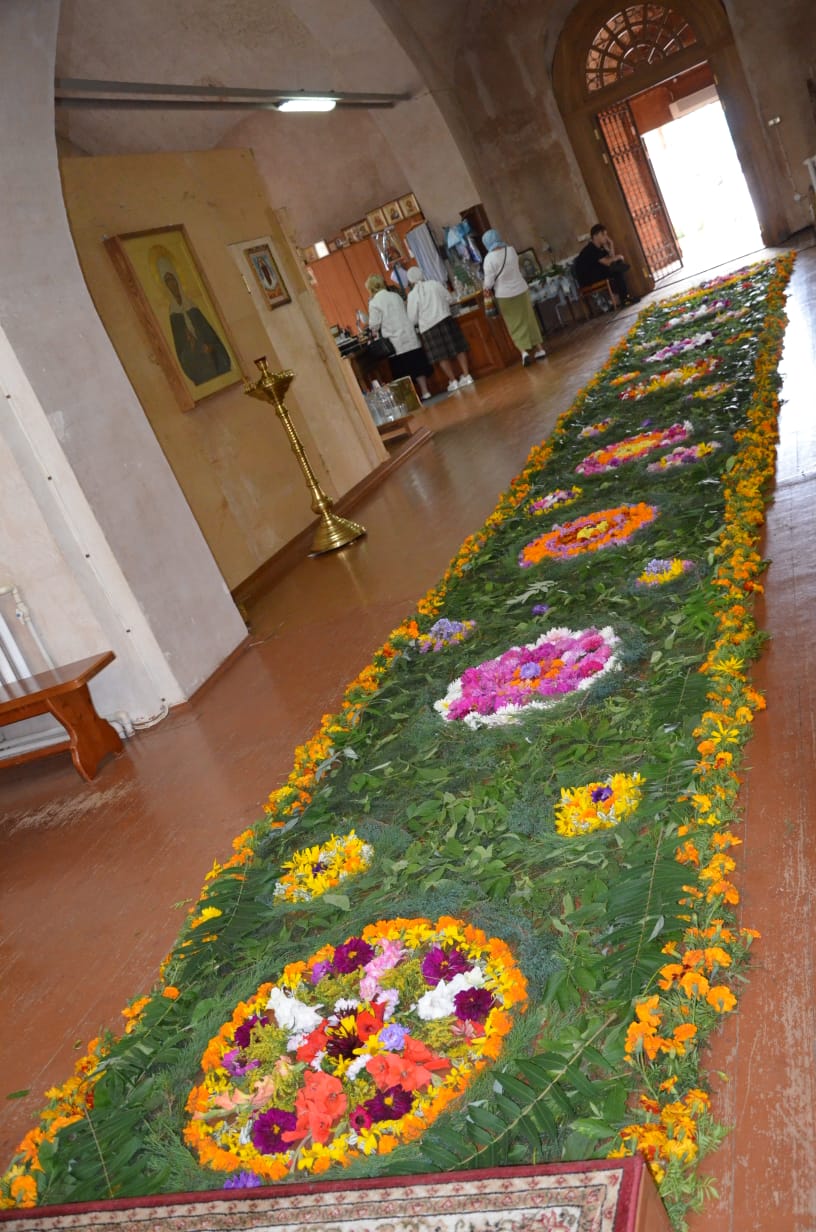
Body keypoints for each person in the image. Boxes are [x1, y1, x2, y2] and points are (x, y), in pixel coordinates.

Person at [150, 247, 232, 385]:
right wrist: (192, 347)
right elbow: (182, 353)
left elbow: (212, 336)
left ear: (177, 279)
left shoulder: (192, 307)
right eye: (167, 280)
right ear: (164, 285)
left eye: (172, 278)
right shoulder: (173, 315)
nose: (171, 283)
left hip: (213, 359)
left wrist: (210, 347)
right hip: (198, 366)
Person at [481, 230, 547, 367]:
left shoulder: (489, 259)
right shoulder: (510, 250)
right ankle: (540, 349)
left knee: (515, 324)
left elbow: (489, 283)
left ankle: (524, 353)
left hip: (504, 295)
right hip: (521, 289)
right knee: (529, 319)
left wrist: (485, 287)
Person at [365, 274, 433, 400]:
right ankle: (425, 391)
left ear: (370, 288)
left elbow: (374, 324)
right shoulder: (395, 296)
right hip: (408, 334)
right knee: (417, 365)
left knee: (403, 371)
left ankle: (413, 398)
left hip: (394, 340)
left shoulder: (374, 303)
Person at [405, 267, 473, 393]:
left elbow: (412, 319)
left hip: (428, 328)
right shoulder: (434, 284)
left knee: (441, 356)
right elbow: (450, 299)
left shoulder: (412, 295)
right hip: (445, 319)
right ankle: (467, 375)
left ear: (410, 281)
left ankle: (453, 381)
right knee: (458, 348)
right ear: (422, 274)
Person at [573, 224, 640, 307]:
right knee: (616, 269)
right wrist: (618, 257)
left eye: (606, 235)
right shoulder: (591, 249)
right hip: (588, 279)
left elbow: (611, 257)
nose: (606, 237)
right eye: (603, 235)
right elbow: (607, 262)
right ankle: (625, 298)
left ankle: (624, 298)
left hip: (596, 273)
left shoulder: (600, 248)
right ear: (595, 236)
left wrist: (611, 244)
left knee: (616, 267)